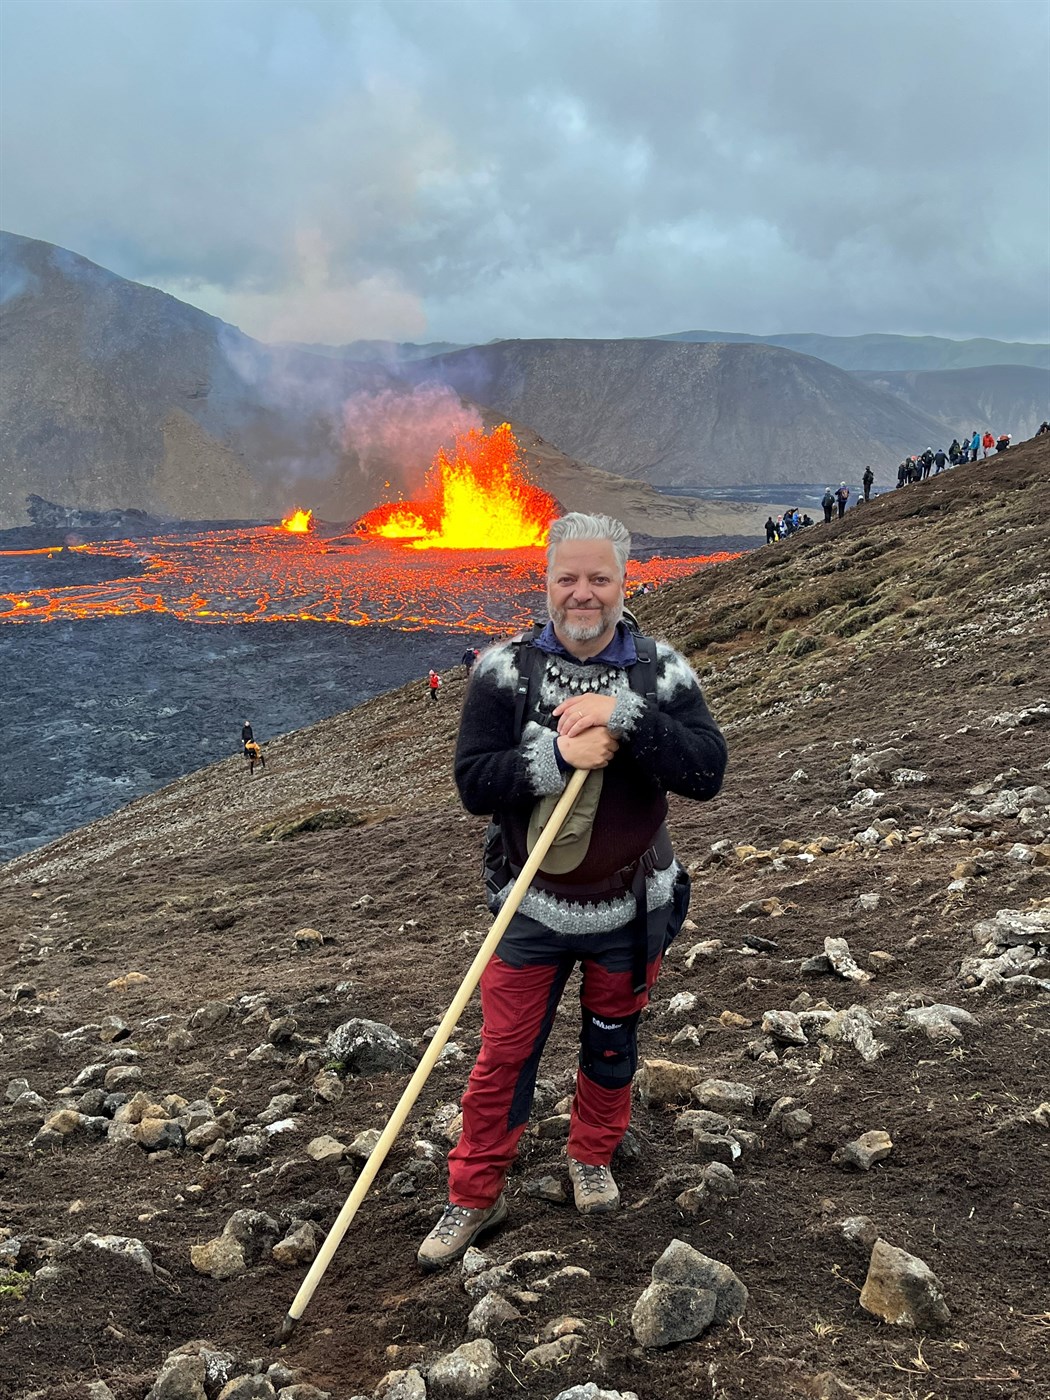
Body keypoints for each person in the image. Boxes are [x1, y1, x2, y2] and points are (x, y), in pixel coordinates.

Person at [416, 512, 727, 1270]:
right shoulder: (502, 671)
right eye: (567, 578)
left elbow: (707, 770)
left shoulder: (660, 671)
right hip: (529, 905)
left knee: (613, 1042)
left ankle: (592, 1155)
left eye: (599, 578)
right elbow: (472, 783)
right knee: (504, 1053)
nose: (582, 594)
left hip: (632, 907)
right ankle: (474, 1191)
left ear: (625, 582)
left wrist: (629, 717)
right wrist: (555, 753)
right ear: (546, 581)